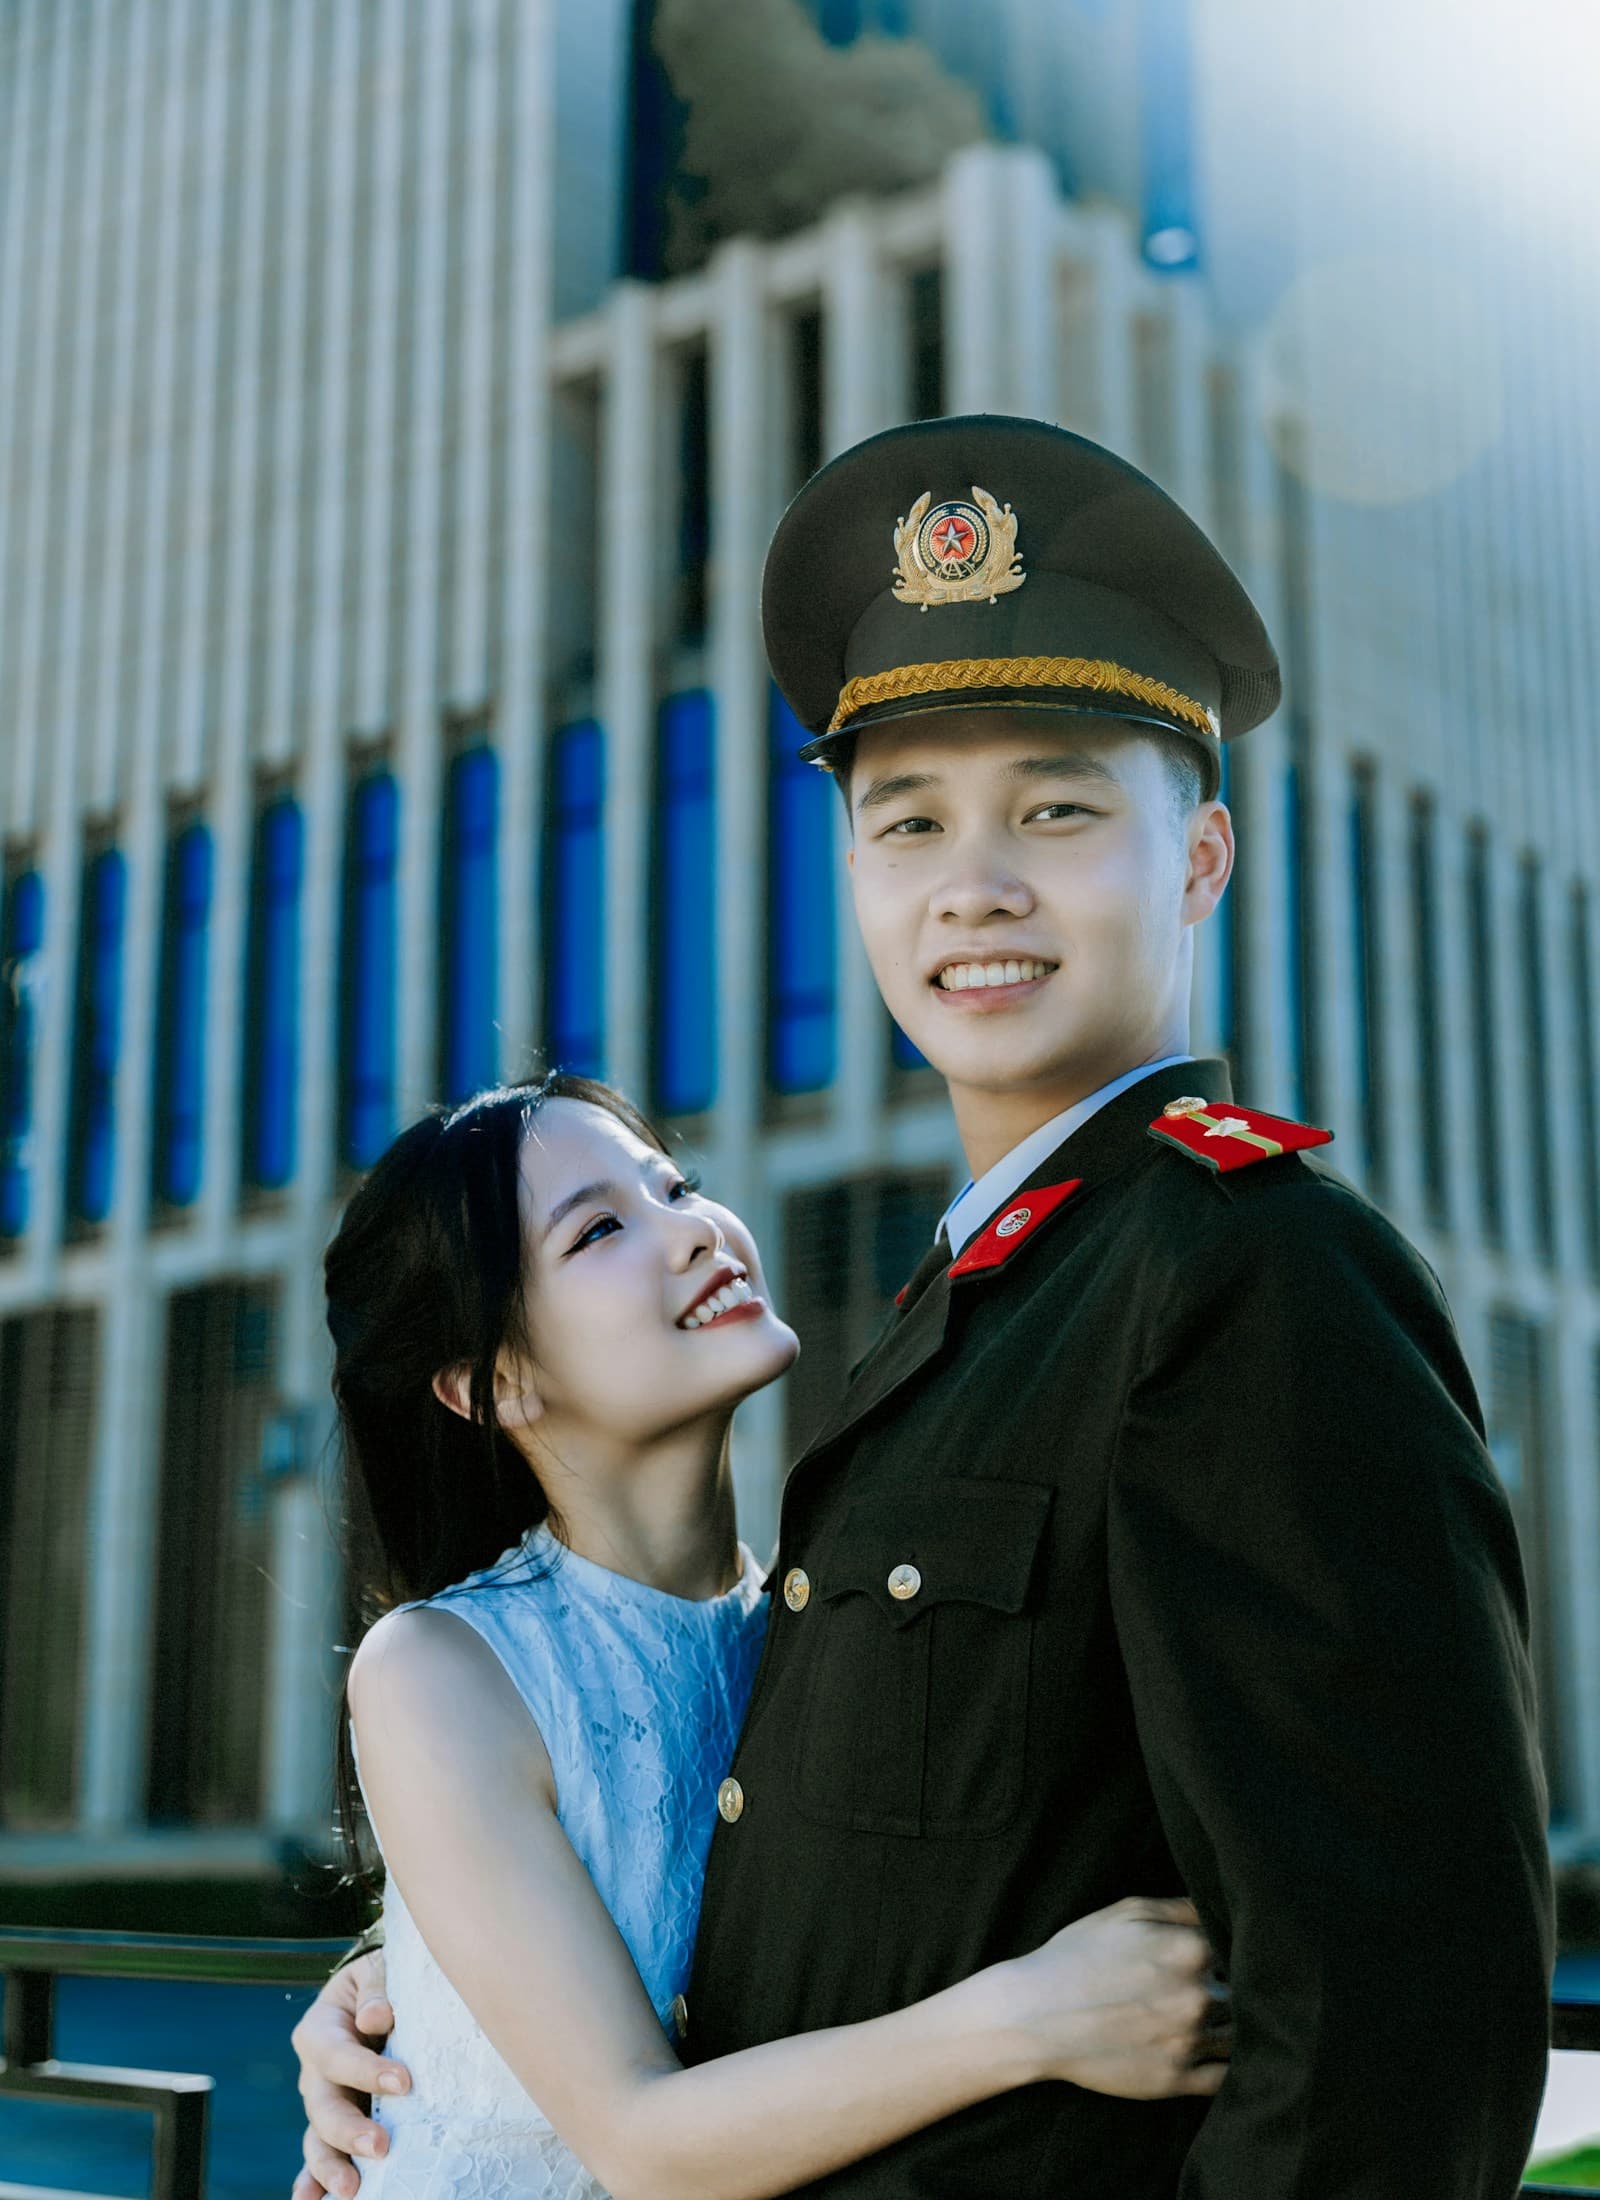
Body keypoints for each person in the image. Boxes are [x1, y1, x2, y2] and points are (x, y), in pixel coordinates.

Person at [294, 418, 1553, 2196]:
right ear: (858, 882)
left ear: (1197, 861)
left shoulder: (1249, 1272)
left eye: (1056, 808)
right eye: (909, 822)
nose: (975, 882)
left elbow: (1393, 2018)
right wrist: (419, 1993)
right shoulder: (960, 1320)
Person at [305, 1068, 1231, 2200]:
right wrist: (1034, 2015)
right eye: (600, 1228)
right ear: (495, 1383)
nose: (694, 1230)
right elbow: (639, 2141)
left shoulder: (816, 1619)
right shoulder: (441, 1667)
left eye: (675, 1185)